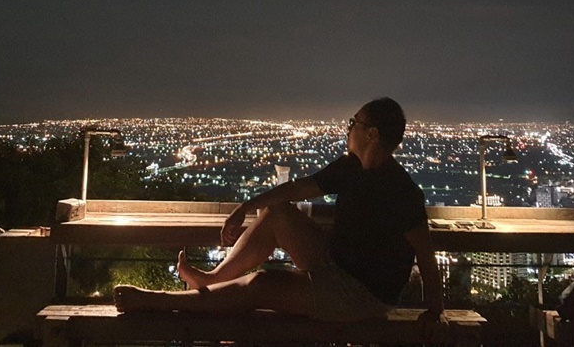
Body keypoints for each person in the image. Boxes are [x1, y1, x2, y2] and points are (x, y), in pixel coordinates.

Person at [114, 97, 446, 323]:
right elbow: (297, 188)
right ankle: (212, 280)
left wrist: (435, 313)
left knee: (261, 285)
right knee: (278, 214)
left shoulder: (401, 191)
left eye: (353, 123)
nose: (348, 129)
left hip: (362, 295)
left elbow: (426, 257)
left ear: (371, 134)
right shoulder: (350, 168)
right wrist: (246, 207)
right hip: (337, 264)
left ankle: (157, 301)